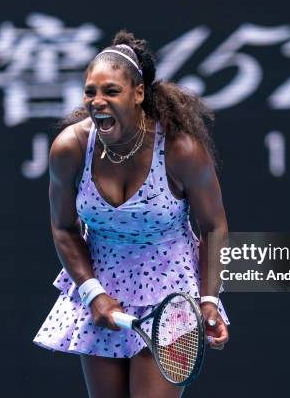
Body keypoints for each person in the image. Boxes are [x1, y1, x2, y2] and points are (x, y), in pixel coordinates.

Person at [33, 30, 229, 397]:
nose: (97, 101)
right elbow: (63, 227)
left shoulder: (181, 149)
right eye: (90, 91)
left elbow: (213, 225)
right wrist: (94, 294)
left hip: (171, 291)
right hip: (102, 285)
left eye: (111, 91)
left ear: (138, 94)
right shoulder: (70, 148)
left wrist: (209, 300)